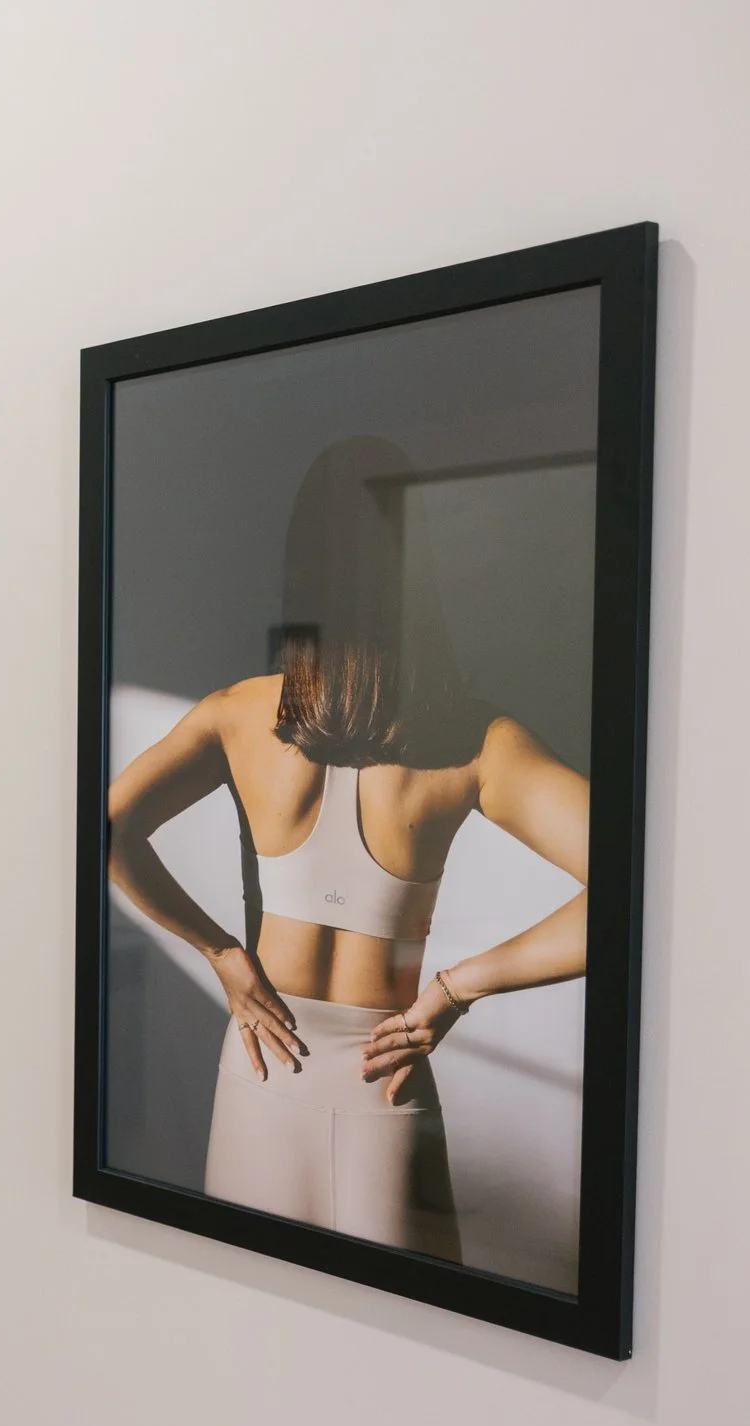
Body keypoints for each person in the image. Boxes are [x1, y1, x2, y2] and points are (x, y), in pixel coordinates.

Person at [105, 438, 590, 1259]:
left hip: (260, 1067)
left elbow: (108, 827)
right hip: (383, 1081)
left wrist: (222, 953)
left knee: (247, 1312)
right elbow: (636, 890)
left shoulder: (236, 713)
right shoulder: (476, 742)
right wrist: (456, 988)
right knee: (408, 1330)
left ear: (301, 578)